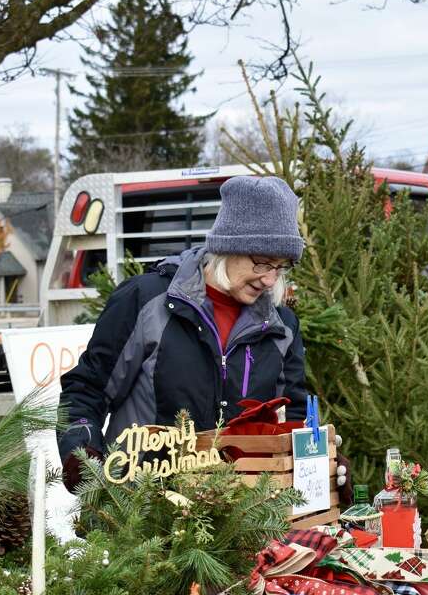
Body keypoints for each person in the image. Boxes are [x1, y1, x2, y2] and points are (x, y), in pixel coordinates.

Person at [58, 175, 316, 492]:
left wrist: (318, 468)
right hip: (141, 512)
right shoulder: (146, 301)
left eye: (281, 267)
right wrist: (81, 451)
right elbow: (87, 390)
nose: (269, 279)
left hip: (239, 516)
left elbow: (296, 417)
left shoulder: (282, 327)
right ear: (228, 246)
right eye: (262, 262)